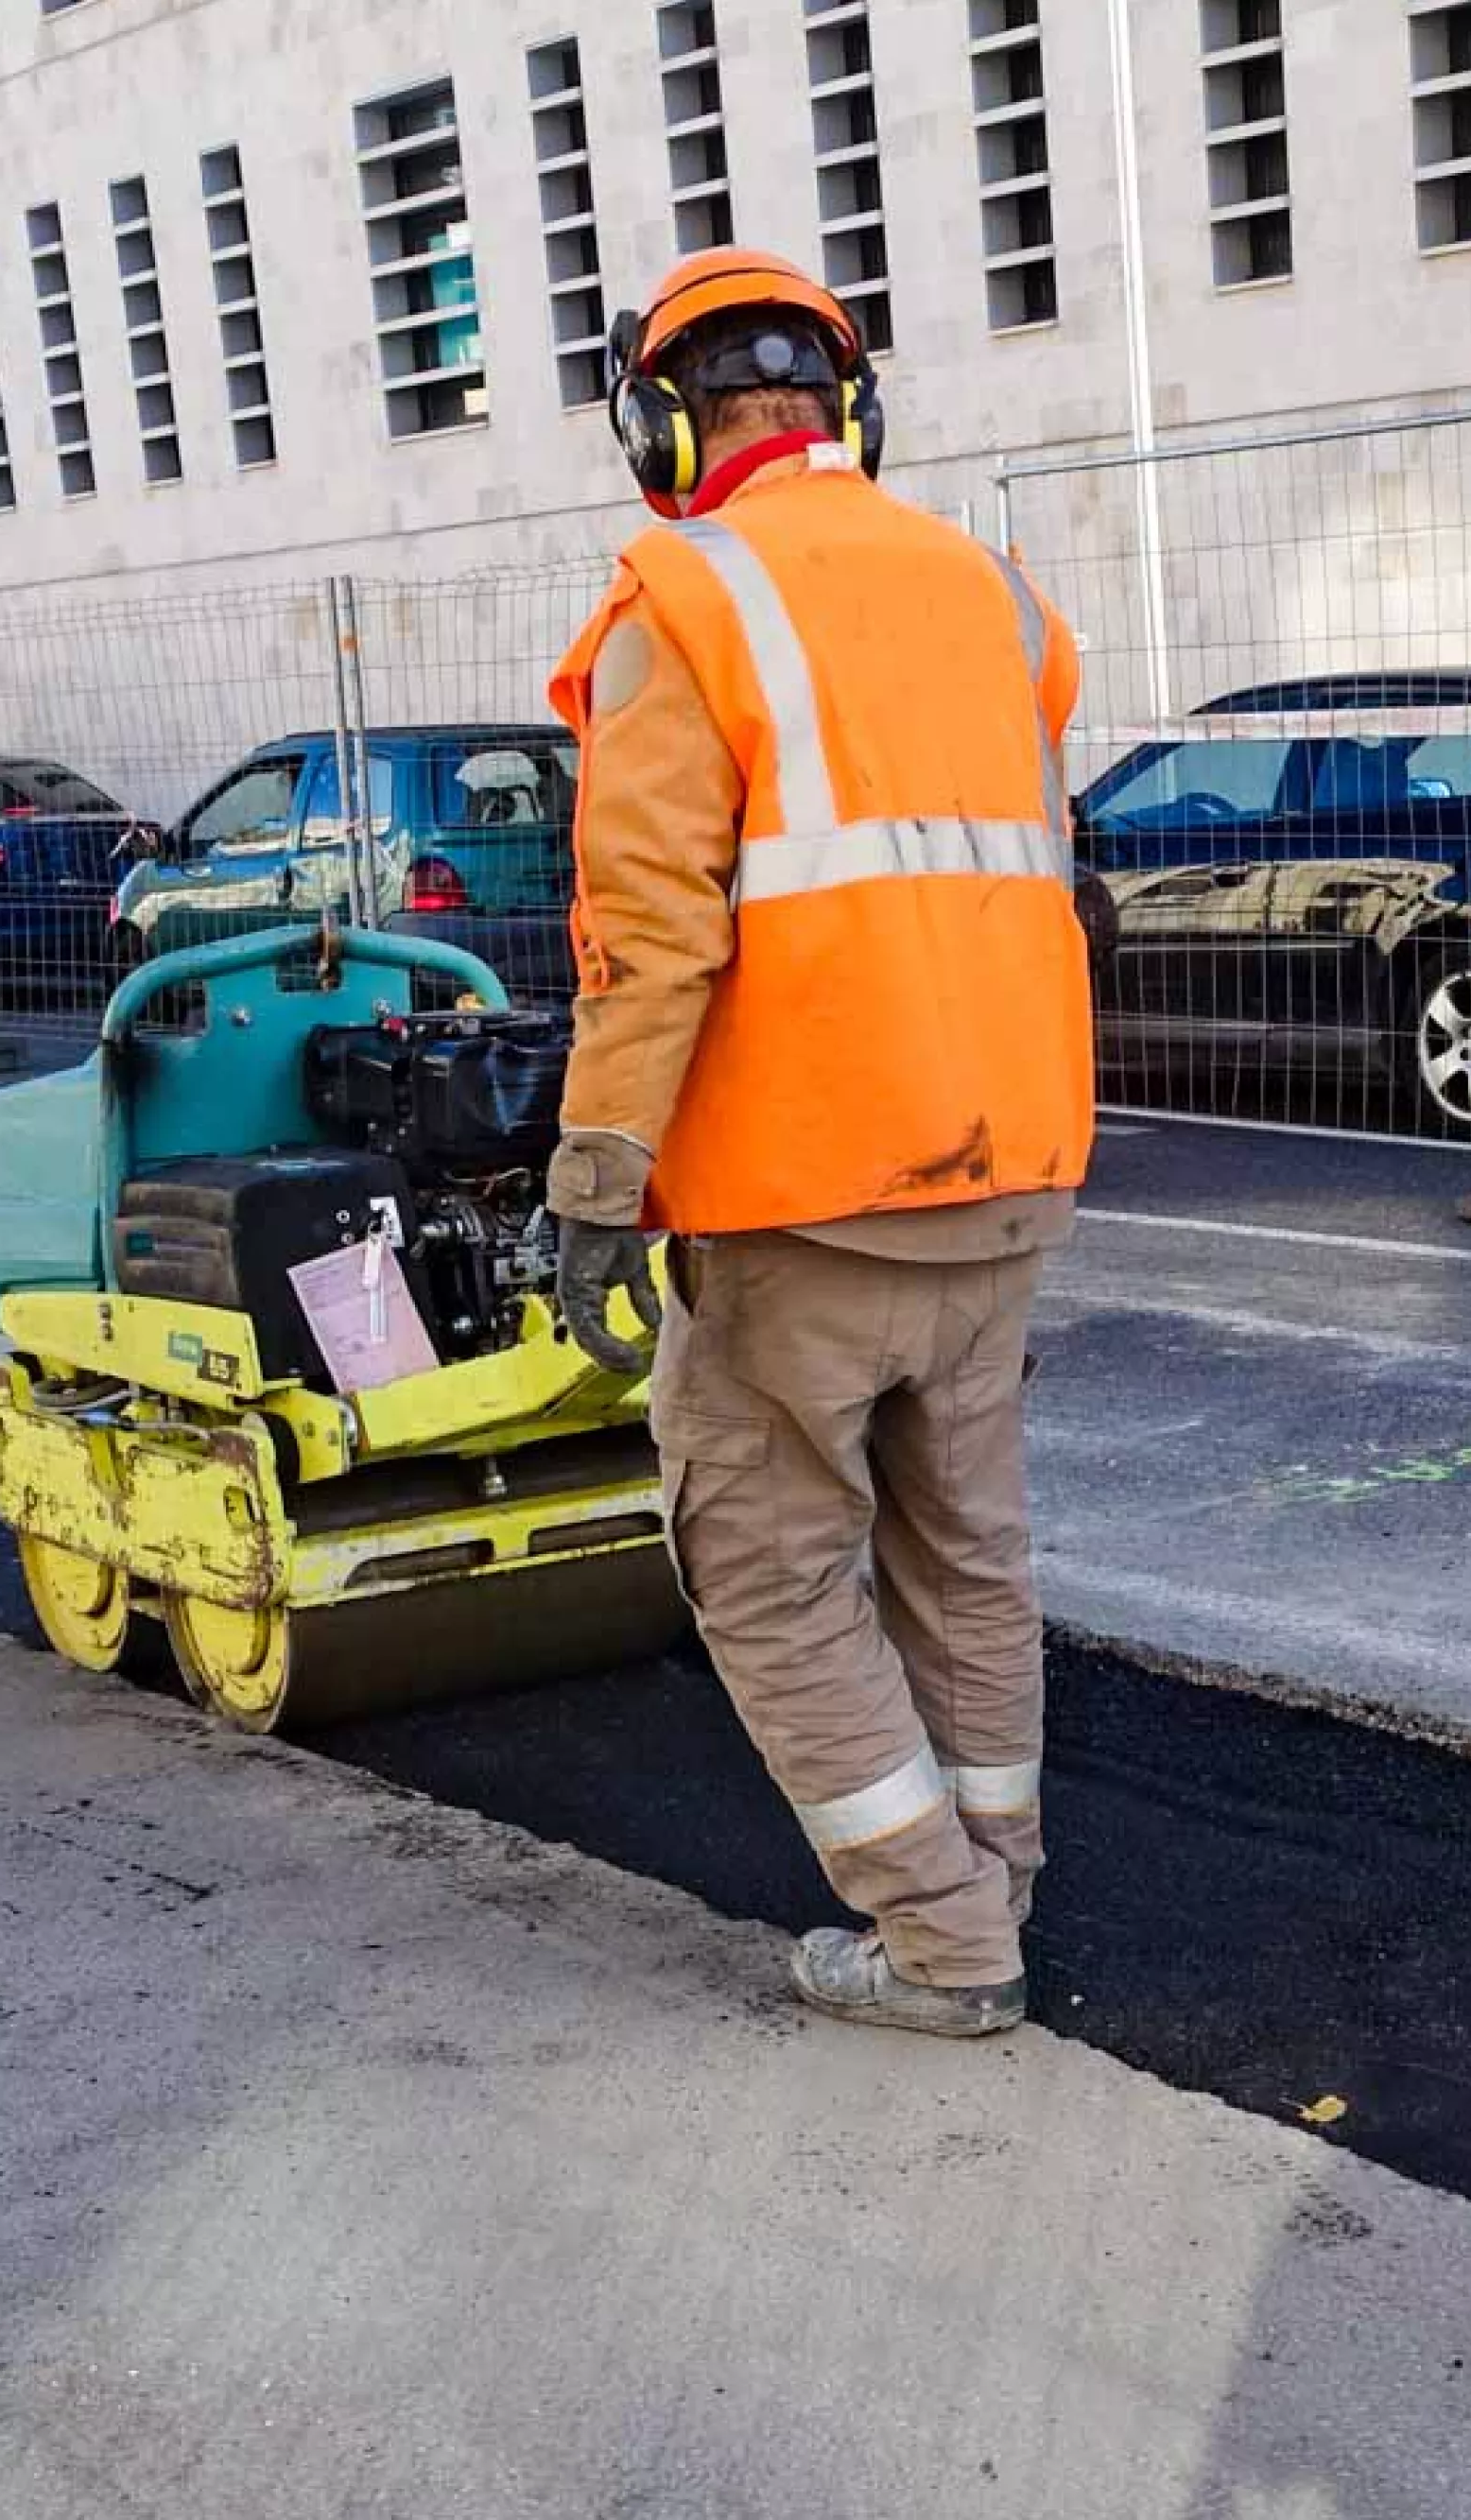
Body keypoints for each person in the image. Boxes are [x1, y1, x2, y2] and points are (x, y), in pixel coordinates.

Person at [545, 247, 1091, 2039]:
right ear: (850, 408)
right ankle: (994, 1876)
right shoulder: (992, 598)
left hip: (804, 1201)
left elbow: (654, 935)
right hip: (1003, 1178)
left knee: (772, 1567)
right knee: (969, 1547)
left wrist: (597, 1181)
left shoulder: (682, 603)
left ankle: (942, 1941)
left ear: (659, 426)